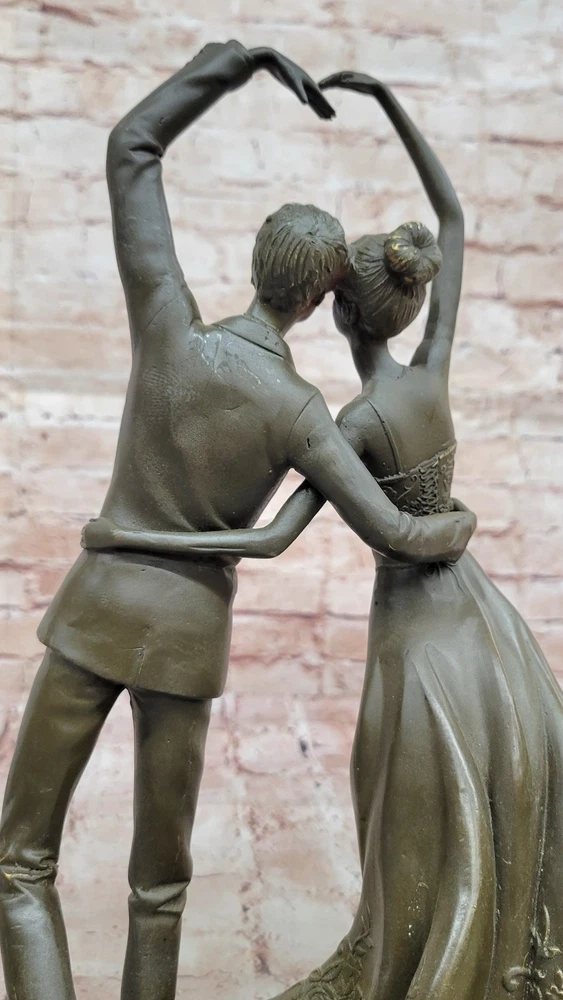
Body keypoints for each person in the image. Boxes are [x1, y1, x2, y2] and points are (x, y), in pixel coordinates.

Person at [0, 44, 476, 1000]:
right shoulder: (301, 412)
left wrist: (235, 64)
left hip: (95, 611)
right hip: (186, 643)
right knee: (160, 887)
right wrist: (455, 524)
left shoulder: (167, 323)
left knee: (20, 859)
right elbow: (392, 531)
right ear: (316, 301)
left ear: (259, 264)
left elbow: (131, 145)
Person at [87, 73, 563, 1000]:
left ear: (333, 312)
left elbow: (266, 540)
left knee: (406, 801)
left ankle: (431, 960)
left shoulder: (351, 424)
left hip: (414, 635)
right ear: (408, 306)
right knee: (492, 774)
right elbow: (452, 218)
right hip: (483, 618)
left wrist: (140, 537)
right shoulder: (433, 369)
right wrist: (387, 100)